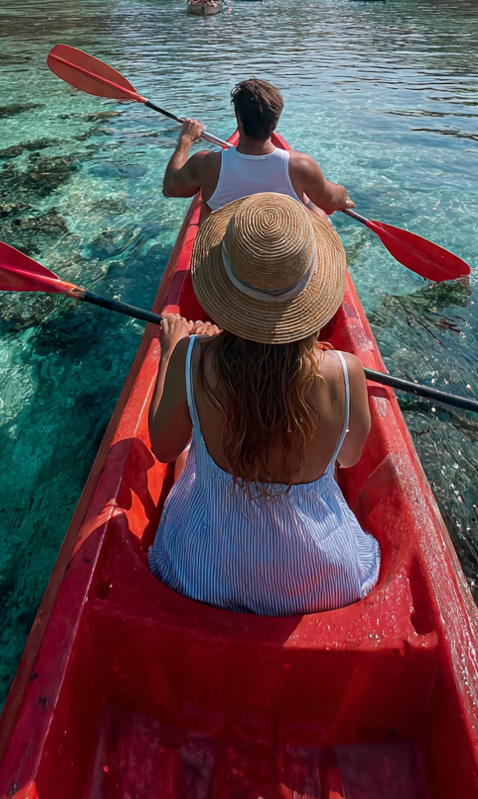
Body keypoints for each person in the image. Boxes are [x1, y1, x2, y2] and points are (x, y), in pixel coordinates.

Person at [148, 192, 380, 615]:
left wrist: (170, 352)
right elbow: (348, 459)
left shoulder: (192, 357)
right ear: (311, 292)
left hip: (204, 569)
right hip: (320, 577)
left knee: (187, 451)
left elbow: (163, 448)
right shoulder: (346, 372)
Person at [162, 76, 351, 216]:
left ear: (238, 117)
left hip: (227, 261)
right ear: (276, 121)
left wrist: (185, 141)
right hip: (278, 256)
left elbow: (171, 189)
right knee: (313, 208)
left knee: (206, 207)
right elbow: (331, 203)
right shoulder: (301, 165)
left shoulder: (207, 163)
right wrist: (339, 191)